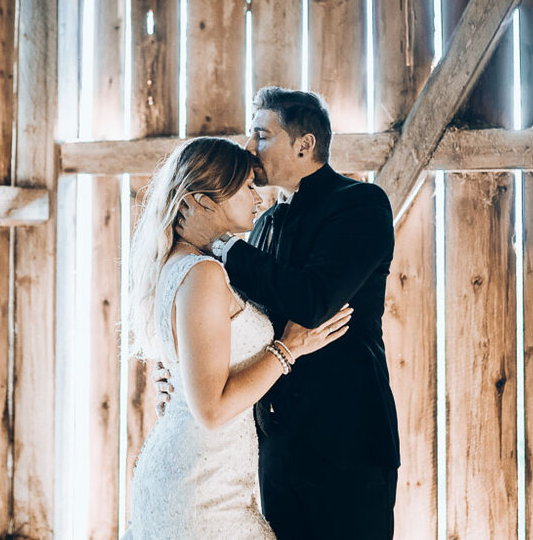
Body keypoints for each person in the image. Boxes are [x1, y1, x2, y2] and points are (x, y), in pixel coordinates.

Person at [166, 87, 400, 539]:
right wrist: (181, 376)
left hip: (347, 446)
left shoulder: (360, 205)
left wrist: (221, 244)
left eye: (261, 135)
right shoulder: (267, 220)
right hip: (276, 446)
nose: (249, 149)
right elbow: (233, 317)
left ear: (304, 144)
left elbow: (313, 302)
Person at [123, 136, 353, 539]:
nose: (258, 199)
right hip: (202, 488)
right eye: (247, 186)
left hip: (208, 472)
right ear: (206, 199)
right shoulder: (203, 275)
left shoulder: (189, 266)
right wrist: (288, 348)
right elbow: (211, 410)